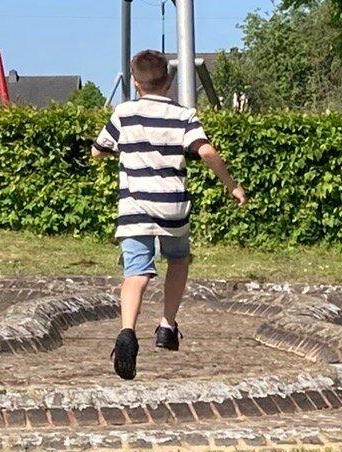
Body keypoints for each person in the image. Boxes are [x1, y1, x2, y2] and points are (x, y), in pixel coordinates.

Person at [92, 48, 246, 380]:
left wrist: (102, 152)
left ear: (135, 83)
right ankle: (166, 325)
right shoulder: (184, 115)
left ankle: (127, 331)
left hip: (135, 209)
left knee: (136, 273)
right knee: (178, 260)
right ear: (169, 81)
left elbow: (98, 151)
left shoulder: (124, 113)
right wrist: (231, 185)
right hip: (173, 208)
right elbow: (206, 150)